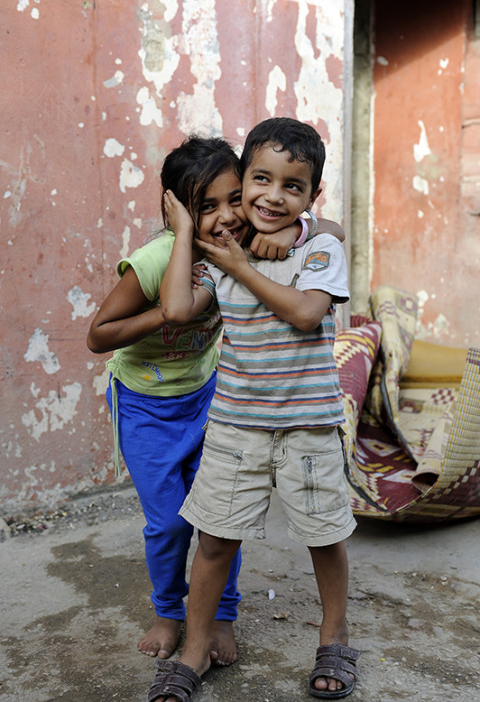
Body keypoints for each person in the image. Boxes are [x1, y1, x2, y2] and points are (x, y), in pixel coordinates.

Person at [86, 134, 344, 666]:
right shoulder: (160, 260)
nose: (229, 217)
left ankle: (222, 614)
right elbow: (107, 333)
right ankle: (168, 612)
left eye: (235, 199)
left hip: (210, 394)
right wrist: (183, 242)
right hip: (147, 401)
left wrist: (304, 229)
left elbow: (330, 233)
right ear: (177, 209)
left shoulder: (250, 237)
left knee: (221, 521)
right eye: (206, 207)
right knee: (169, 522)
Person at [150, 117, 359, 702]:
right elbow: (174, 309)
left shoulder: (319, 247)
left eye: (293, 186)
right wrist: (187, 232)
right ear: (243, 182)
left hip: (308, 429)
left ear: (311, 196)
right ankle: (196, 648)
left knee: (324, 537)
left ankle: (335, 633)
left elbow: (305, 313)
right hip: (236, 428)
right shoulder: (222, 253)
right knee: (214, 540)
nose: (273, 195)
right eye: (260, 180)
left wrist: (244, 265)